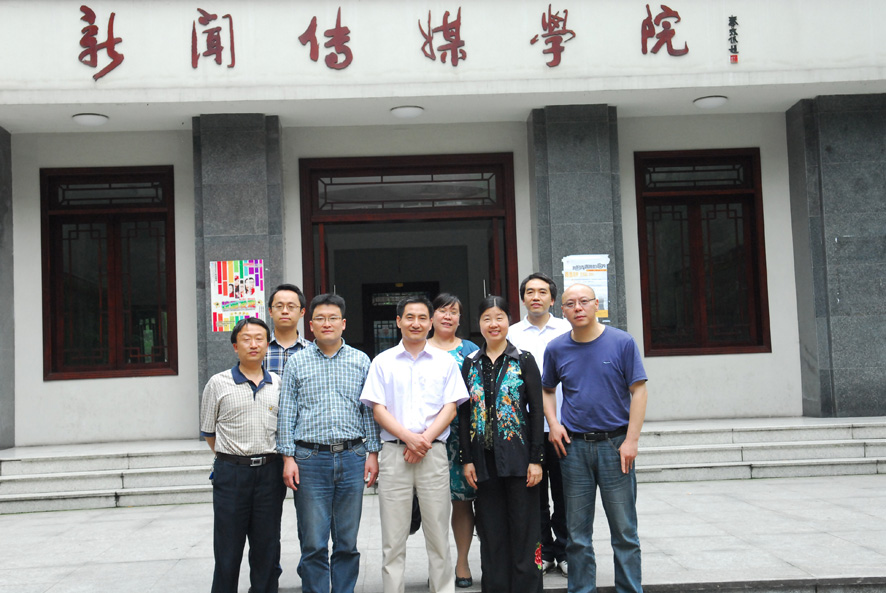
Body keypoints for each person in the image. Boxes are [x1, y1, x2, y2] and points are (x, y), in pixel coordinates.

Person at [542, 284, 648, 593]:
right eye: (570, 304)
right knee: (577, 535)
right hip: (574, 449)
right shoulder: (556, 348)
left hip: (615, 446)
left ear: (596, 303)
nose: (578, 308)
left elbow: (639, 390)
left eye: (584, 301)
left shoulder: (622, 342)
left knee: (624, 531)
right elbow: (547, 389)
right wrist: (553, 423)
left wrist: (631, 440)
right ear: (562, 310)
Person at [360, 295, 469, 593]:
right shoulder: (382, 362)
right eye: (409, 317)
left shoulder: (445, 362)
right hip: (394, 454)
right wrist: (410, 439)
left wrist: (424, 440)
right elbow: (378, 409)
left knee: (438, 536)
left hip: (433, 454)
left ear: (431, 322)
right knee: (393, 539)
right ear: (398, 321)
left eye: (422, 318)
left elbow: (451, 407)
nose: (416, 323)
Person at [277, 293, 381, 593]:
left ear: (343, 323)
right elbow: (287, 412)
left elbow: (369, 410)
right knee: (313, 542)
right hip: (309, 459)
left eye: (333, 318)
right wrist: (288, 458)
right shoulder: (297, 362)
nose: (327, 323)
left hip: (352, 456)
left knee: (347, 541)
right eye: (320, 319)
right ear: (310, 325)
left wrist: (373, 453)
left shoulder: (360, 360)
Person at [460, 296, 545, 593]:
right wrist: (466, 459)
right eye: (487, 318)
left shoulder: (524, 360)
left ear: (509, 321)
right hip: (484, 462)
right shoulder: (470, 363)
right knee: (491, 531)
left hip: (520, 460)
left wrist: (536, 459)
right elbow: (464, 414)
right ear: (479, 323)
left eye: (499, 318)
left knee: (525, 530)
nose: (493, 324)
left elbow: (537, 411)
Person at [200, 317, 286, 593]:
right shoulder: (218, 383)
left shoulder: (278, 383)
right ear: (235, 346)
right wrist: (234, 458)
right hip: (231, 474)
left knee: (267, 547)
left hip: (270, 473)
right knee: (228, 548)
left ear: (267, 345)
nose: (253, 344)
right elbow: (209, 432)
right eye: (246, 339)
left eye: (259, 339)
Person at [508, 272, 571, 576]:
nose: (536, 297)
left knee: (565, 493)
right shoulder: (511, 334)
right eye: (530, 292)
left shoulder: (568, 330)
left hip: (563, 425)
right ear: (523, 299)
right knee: (535, 494)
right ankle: (543, 550)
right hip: (528, 429)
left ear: (553, 299)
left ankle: (566, 550)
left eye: (542, 292)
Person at [427, 293, 479, 589]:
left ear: (460, 318)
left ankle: (461, 563)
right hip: (428, 438)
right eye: (442, 311)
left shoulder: (471, 351)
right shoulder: (420, 347)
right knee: (432, 507)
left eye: (454, 311)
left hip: (463, 438)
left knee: (462, 502)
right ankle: (438, 565)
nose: (448, 316)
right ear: (431, 316)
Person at [265, 283, 310, 376]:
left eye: (291, 307)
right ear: (270, 311)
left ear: (302, 312)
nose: (285, 311)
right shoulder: (259, 348)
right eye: (279, 306)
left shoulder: (311, 351)